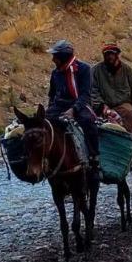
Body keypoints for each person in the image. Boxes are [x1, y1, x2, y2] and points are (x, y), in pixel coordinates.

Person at [46, 39, 99, 172]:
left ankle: (94, 157)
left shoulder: (84, 69)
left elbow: (85, 94)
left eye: (55, 56)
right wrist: (49, 109)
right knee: (42, 123)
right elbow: (52, 95)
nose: (53, 59)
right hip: (60, 105)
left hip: (79, 104)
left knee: (88, 122)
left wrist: (73, 110)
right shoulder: (55, 73)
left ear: (63, 56)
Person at [91, 43, 132, 147]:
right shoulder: (95, 71)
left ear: (117, 55)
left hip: (122, 104)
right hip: (102, 105)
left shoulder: (128, 70)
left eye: (112, 53)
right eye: (107, 54)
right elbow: (93, 90)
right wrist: (101, 105)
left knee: (130, 114)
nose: (109, 56)